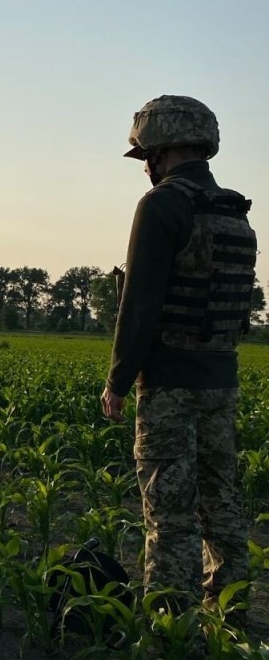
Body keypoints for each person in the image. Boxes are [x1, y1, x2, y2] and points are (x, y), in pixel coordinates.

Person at [101, 95, 257, 607]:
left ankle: (172, 628)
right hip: (221, 383)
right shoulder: (234, 211)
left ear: (162, 148)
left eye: (147, 153)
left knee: (169, 514)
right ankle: (230, 611)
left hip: (169, 385)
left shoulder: (162, 205)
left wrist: (118, 382)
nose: (146, 164)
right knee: (222, 503)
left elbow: (139, 305)